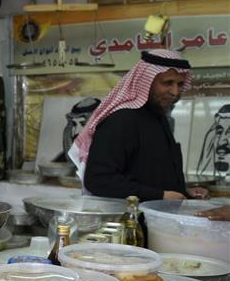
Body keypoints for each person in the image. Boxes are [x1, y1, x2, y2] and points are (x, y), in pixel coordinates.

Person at [69, 50, 210, 201]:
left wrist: (183, 191)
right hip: (129, 221)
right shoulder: (121, 120)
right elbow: (99, 180)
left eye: (180, 84)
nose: (175, 92)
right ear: (146, 81)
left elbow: (150, 173)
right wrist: (161, 195)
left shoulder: (158, 116)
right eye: (167, 83)